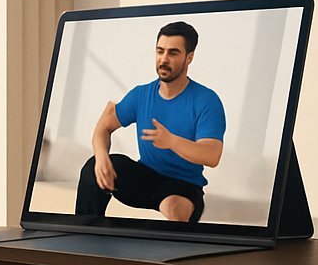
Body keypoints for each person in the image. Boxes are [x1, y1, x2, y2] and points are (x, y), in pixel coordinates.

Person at [74, 21, 225, 223]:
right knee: (93, 167)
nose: (164, 59)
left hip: (183, 184)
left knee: (175, 209)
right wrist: (101, 157)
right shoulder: (141, 94)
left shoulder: (206, 100)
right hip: (145, 176)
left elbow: (212, 155)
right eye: (160, 51)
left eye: (173, 53)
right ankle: (86, 233)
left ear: (189, 58)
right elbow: (104, 126)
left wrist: (171, 141)